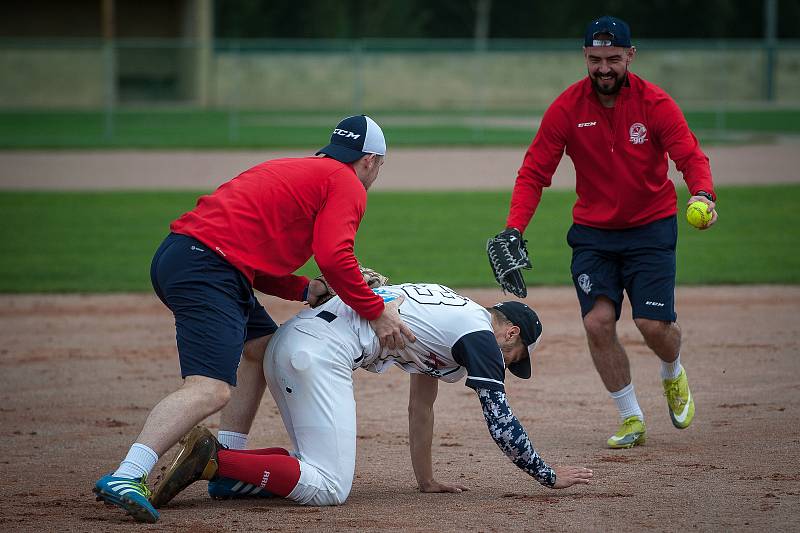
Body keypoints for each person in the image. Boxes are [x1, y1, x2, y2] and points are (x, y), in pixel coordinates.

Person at [92, 115, 416, 523]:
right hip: (208, 268)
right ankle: (129, 474)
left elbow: (248, 250)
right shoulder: (347, 183)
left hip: (193, 258)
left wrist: (305, 290)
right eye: (380, 167)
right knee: (210, 390)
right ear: (370, 161)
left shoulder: (297, 169)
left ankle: (224, 463)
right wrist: (376, 310)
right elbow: (334, 256)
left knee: (265, 350)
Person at [148, 283, 593, 509]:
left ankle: (229, 472)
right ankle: (215, 460)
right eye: (515, 356)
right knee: (328, 488)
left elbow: (421, 407)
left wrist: (426, 479)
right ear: (511, 332)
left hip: (294, 345)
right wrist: (547, 475)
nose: (508, 364)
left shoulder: (452, 319)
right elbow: (501, 423)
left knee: (309, 469)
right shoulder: (479, 336)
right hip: (316, 357)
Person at [492, 16, 717, 449]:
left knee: (653, 325)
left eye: (614, 58)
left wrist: (703, 194)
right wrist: (514, 227)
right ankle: (630, 416)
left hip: (651, 227)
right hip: (593, 232)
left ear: (630, 56)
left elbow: (689, 156)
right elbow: (534, 172)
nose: (604, 68)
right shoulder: (566, 108)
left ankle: (672, 372)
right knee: (598, 322)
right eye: (596, 59)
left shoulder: (656, 104)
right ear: (585, 57)